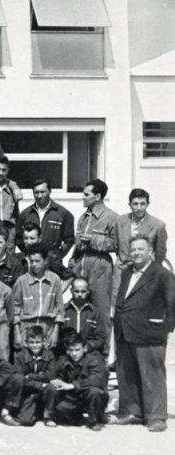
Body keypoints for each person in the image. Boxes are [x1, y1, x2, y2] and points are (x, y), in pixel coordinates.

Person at [111, 235, 175, 432]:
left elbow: (172, 304)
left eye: (140, 249)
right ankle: (132, 412)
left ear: (150, 252)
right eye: (133, 250)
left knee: (152, 377)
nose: (136, 253)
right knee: (127, 376)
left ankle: (156, 417)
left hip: (150, 334)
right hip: (125, 331)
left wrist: (163, 329)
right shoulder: (127, 272)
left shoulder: (162, 274)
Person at [71, 179, 118, 331]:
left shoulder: (111, 217)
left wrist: (93, 240)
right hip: (81, 268)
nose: (83, 198)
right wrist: (72, 259)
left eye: (87, 195)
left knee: (100, 311)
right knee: (81, 311)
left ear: (97, 197)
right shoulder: (83, 218)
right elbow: (78, 243)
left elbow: (117, 244)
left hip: (100, 269)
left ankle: (102, 346)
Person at [42, 331, 108, 431]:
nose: (74, 353)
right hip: (73, 398)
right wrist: (58, 381)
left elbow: (97, 379)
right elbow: (55, 376)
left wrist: (73, 385)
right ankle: (52, 417)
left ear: (84, 348)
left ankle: (93, 421)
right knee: (54, 393)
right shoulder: (63, 360)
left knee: (95, 392)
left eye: (77, 350)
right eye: (71, 350)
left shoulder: (94, 360)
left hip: (87, 395)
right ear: (67, 350)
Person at [113, 188, 169, 302]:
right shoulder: (120, 221)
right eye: (135, 204)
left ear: (148, 204)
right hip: (122, 269)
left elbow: (160, 254)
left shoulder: (158, 225)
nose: (139, 208)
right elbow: (116, 245)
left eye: (142, 204)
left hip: (144, 271)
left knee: (140, 303)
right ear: (129, 204)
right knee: (118, 302)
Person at [13, 325, 56, 426]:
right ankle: (35, 411)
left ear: (44, 341)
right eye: (31, 342)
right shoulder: (20, 356)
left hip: (44, 390)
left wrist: (30, 376)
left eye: (38, 342)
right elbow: (21, 379)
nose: (35, 345)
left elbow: (50, 376)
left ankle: (48, 416)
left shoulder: (50, 355)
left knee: (52, 387)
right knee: (26, 421)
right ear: (26, 343)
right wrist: (40, 381)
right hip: (29, 391)